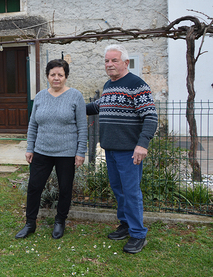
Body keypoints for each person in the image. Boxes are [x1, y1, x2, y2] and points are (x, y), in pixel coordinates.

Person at [86, 44, 158, 254]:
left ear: (126, 63)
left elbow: (150, 116)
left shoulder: (137, 84)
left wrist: (142, 144)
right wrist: (71, 104)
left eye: (114, 60)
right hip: (110, 149)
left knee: (131, 192)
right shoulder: (109, 85)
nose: (109, 64)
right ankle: (126, 225)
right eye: (107, 61)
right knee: (119, 190)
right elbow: (98, 106)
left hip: (130, 151)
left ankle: (138, 234)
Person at [16, 59, 87, 240]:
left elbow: (82, 127)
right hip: (42, 151)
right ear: (47, 76)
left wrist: (80, 152)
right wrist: (30, 148)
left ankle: (59, 222)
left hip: (67, 153)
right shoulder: (40, 97)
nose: (56, 78)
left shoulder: (75, 96)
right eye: (52, 74)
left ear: (66, 76)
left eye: (60, 75)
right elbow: (32, 125)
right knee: (34, 187)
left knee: (64, 189)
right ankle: (30, 223)